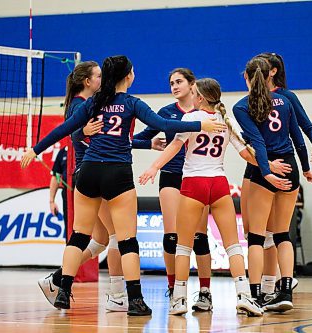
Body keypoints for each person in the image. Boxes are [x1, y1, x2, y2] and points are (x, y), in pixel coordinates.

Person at [21, 55, 227, 316]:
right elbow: (163, 125)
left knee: (79, 236)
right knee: (127, 240)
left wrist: (35, 149)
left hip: (89, 171)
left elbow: (66, 129)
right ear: (128, 76)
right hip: (117, 173)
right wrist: (201, 123)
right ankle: (136, 300)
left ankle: (63, 290)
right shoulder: (132, 103)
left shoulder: (94, 102)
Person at [38, 60, 165, 312]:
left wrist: (147, 144)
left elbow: (116, 137)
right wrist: (81, 131)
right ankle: (118, 294)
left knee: (100, 240)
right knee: (119, 237)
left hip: (91, 173)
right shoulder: (84, 104)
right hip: (96, 171)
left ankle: (57, 280)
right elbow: (71, 132)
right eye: (97, 76)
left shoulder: (100, 103)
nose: (101, 80)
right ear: (87, 81)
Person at [139, 78, 263, 317]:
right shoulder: (227, 121)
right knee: (233, 246)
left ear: (202, 98)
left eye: (195, 93)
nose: (192, 97)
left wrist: (154, 167)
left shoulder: (191, 119)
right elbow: (248, 155)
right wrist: (268, 167)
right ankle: (244, 295)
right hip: (218, 183)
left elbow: (174, 147)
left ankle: (180, 300)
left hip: (194, 184)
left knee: (184, 247)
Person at [233, 56, 312, 312]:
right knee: (282, 234)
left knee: (256, 236)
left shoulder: (241, 106)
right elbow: (298, 138)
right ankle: (285, 291)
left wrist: (267, 171)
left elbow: (257, 142)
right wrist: (306, 168)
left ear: (246, 77)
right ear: (270, 74)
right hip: (290, 167)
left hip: (264, 169)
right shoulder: (286, 100)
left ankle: (256, 295)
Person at [133, 68, 213, 311]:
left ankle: (205, 292)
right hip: (171, 175)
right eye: (171, 83)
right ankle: (173, 289)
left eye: (179, 82)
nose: (174, 86)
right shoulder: (166, 113)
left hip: (200, 175)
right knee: (172, 235)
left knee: (199, 237)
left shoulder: (206, 113)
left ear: (192, 85)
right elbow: (140, 137)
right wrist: (149, 144)